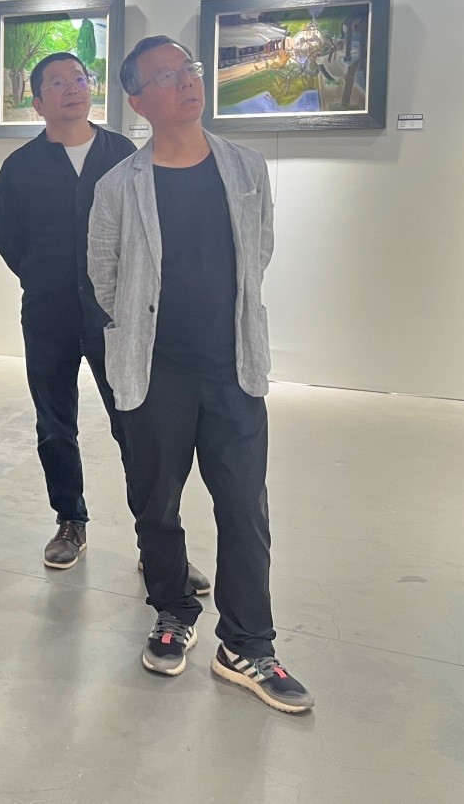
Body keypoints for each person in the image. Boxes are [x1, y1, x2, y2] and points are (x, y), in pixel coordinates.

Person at [88, 35, 313, 714]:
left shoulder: (244, 167)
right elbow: (104, 274)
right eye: (166, 75)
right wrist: (142, 330)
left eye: (188, 68)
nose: (186, 81)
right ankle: (172, 609)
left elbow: (259, 250)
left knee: (244, 505)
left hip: (232, 366)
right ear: (137, 101)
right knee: (155, 501)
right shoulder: (118, 185)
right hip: (154, 371)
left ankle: (246, 642)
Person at [0, 51, 211, 594]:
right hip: (48, 313)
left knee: (136, 425)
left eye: (79, 78)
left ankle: (156, 545)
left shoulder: (124, 156)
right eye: (58, 83)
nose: (72, 88)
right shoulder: (19, 168)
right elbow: (10, 242)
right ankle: (71, 520)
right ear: (37, 102)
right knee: (54, 423)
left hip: (117, 315)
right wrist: (46, 278)